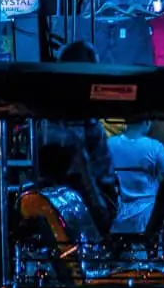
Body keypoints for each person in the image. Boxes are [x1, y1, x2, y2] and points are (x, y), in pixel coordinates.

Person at [41, 40, 117, 229]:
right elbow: (79, 159)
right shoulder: (63, 114)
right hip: (82, 199)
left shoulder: (77, 110)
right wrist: (97, 203)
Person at [106, 120, 164, 234]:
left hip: (116, 220)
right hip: (147, 220)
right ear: (147, 122)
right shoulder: (155, 147)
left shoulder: (108, 144)